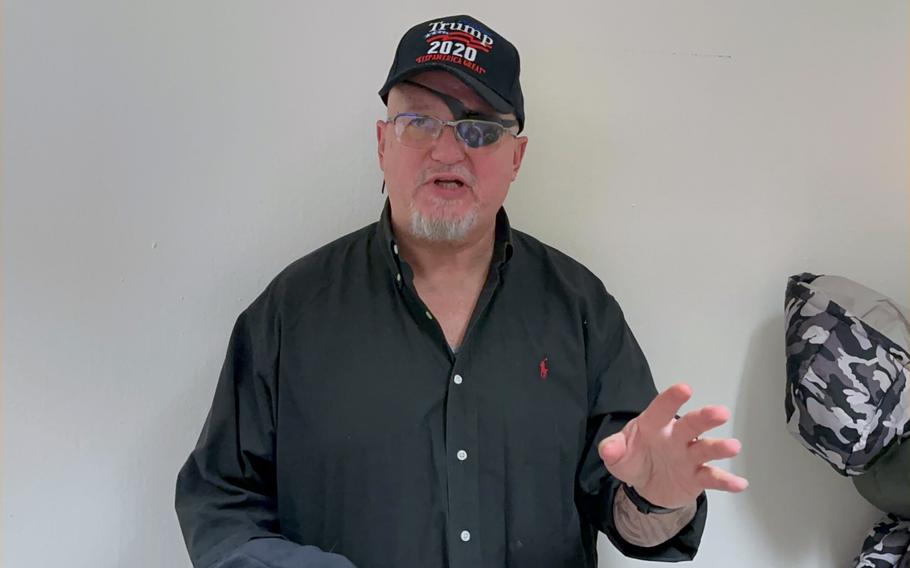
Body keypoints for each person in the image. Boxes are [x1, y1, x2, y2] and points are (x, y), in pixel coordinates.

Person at [175, 14, 748, 568]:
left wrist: (660, 498)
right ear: (382, 143)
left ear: (516, 157)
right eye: (419, 122)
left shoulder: (581, 311)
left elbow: (632, 518)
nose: (447, 151)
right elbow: (222, 502)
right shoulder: (290, 313)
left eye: (479, 129)